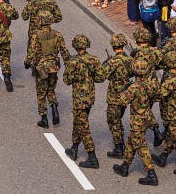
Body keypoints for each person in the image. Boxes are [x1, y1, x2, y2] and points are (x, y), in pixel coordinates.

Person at [112, 58, 160, 186]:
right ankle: (125, 166)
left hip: (137, 120)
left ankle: (151, 174)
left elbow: (122, 101)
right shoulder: (150, 85)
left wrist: (124, 89)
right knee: (131, 143)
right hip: (146, 118)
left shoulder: (134, 87)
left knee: (141, 147)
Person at [63, 34, 105, 169]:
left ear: (75, 46)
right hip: (90, 97)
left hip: (79, 98)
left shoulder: (73, 62)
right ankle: (74, 148)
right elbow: (100, 78)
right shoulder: (94, 59)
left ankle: (92, 156)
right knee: (79, 122)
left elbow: (66, 81)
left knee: (83, 126)